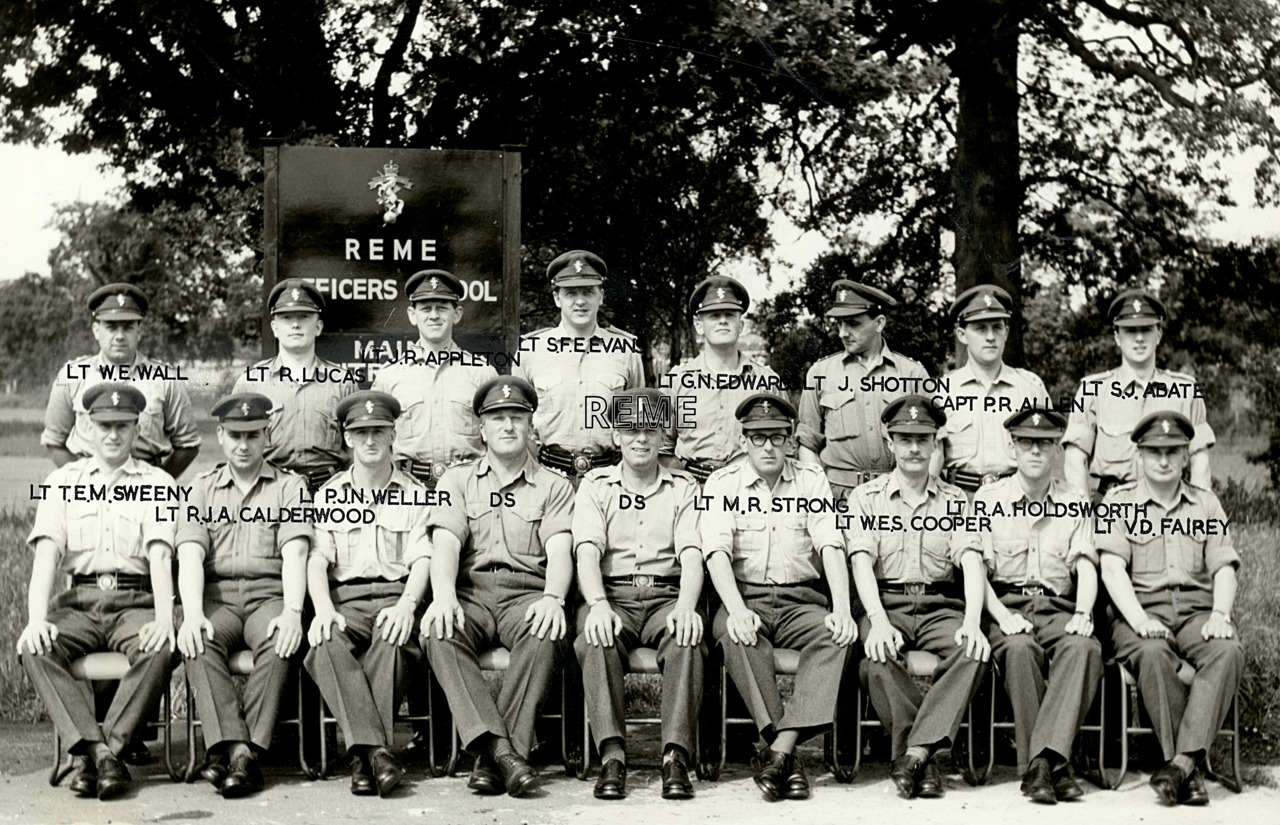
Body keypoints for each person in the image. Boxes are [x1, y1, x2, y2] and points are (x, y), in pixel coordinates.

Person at [19, 382, 178, 800]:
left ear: (136, 428)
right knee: (35, 646)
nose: (112, 434)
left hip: (134, 601)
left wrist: (165, 618)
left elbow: (160, 557)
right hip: (79, 602)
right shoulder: (61, 482)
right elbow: (46, 558)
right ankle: (102, 753)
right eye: (104, 425)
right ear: (87, 426)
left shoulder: (158, 482)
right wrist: (36, 621)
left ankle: (98, 753)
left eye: (122, 426)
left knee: (160, 647)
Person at [420, 376, 575, 798]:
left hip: (526, 593)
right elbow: (446, 544)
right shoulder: (457, 480)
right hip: (470, 591)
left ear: (531, 426)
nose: (508, 426)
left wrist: (553, 597)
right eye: (498, 418)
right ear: (482, 429)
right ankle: (505, 754)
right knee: (438, 629)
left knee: (546, 630)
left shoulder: (555, 486)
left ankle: (493, 758)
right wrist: (445, 596)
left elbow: (561, 552)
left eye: (517, 418)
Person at [701, 393, 856, 801]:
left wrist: (841, 608)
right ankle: (788, 755)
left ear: (790, 439)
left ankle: (778, 751)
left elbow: (830, 547)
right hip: (745, 597)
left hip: (800, 601)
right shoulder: (722, 484)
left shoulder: (810, 480)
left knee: (836, 635)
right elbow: (716, 554)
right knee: (737, 636)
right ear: (744, 440)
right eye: (757, 437)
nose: (767, 446)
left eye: (776, 437)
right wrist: (735, 610)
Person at [844, 394, 990, 800]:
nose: (913, 448)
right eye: (904, 439)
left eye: (922, 439)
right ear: (890, 443)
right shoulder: (866, 499)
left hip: (939, 605)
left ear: (934, 444)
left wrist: (973, 623)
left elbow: (972, 563)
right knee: (875, 658)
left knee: (975, 651)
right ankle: (922, 759)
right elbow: (860, 563)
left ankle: (913, 754)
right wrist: (876, 619)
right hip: (886, 602)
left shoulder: (957, 501)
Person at [1097, 411, 1242, 807]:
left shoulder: (1206, 504)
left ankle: (1179, 766)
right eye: (1154, 452)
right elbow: (1112, 570)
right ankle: (1188, 770)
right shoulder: (1119, 503)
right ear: (1140, 456)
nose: (1163, 460)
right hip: (1141, 610)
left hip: (1197, 612)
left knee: (1228, 650)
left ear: (1184, 457)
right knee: (1152, 653)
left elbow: (1224, 567)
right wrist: (1141, 620)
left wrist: (1220, 615)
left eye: (1173, 452)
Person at [176, 393, 311, 797]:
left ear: (266, 435)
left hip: (268, 595)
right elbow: (190, 554)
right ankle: (243, 753)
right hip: (218, 597)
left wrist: (291, 611)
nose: (243, 444)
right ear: (220, 435)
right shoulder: (201, 489)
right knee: (198, 638)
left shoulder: (289, 486)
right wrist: (194, 612)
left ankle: (235, 754)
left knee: (280, 638)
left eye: (253, 435)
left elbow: (296, 552)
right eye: (235, 435)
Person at [574, 388, 705, 800]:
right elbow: (587, 552)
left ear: (663, 436)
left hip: (666, 595)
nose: (641, 439)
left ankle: (674, 756)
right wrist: (596, 605)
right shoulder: (595, 486)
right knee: (596, 639)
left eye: (650, 429)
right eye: (630, 430)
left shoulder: (683, 487)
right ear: (615, 436)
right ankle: (612, 755)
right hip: (612, 594)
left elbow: (692, 553)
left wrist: (686, 606)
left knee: (687, 638)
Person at [304, 391, 433, 797]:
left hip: (395, 596)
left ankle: (363, 758)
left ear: (394, 435)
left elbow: (422, 561)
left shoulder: (415, 493)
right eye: (361, 433)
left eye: (379, 431)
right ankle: (378, 752)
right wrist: (323, 609)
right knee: (323, 643)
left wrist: (407, 606)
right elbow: (317, 559)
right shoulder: (329, 495)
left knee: (393, 642)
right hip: (347, 600)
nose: (371, 441)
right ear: (347, 439)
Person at [975, 408, 1102, 803]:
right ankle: (1053, 764)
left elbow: (1086, 564)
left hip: (1057, 606)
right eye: (1026, 443)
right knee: (1017, 649)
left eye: (1045, 444)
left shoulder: (1074, 500)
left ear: (1057, 452)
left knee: (1085, 647)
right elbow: (976, 571)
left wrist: (1083, 612)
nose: (1035, 451)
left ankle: (1040, 765)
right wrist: (1000, 615)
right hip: (1006, 604)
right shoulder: (988, 497)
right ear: (1012, 449)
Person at [1063, 290, 1213, 498]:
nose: (1139, 338)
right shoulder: (1092, 391)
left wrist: (1199, 513)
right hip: (1112, 508)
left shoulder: (1186, 391)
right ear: (1117, 336)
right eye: (1130, 330)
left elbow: (1200, 460)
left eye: (1146, 329)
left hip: (1170, 505)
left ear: (1158, 334)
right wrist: (1082, 516)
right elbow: (1074, 459)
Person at [43, 283, 200, 477]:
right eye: (110, 327)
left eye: (127, 327)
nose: (119, 336)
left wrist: (159, 482)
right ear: (96, 330)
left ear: (139, 331)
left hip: (145, 483)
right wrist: (81, 481)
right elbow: (53, 440)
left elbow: (188, 444)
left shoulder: (164, 379)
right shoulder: (72, 376)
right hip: (90, 484)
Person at [514, 250, 644, 483]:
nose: (581, 301)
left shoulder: (625, 351)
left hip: (608, 478)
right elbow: (518, 420)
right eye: (571, 293)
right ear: (557, 298)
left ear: (601, 296)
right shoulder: (530, 351)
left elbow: (636, 420)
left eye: (588, 292)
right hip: (548, 477)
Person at [797, 280, 929, 500]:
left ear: (879, 323)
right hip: (839, 497)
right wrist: (817, 498)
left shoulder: (912, 373)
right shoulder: (820, 373)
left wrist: (919, 498)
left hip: (898, 494)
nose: (842, 333)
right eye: (839, 324)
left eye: (853, 324)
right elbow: (808, 442)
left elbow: (934, 443)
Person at [371, 269, 497, 489]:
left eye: (442, 308)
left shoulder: (482, 373)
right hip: (408, 489)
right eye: (426, 308)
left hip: (469, 488)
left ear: (456, 314)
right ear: (413, 315)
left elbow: (496, 440)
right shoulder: (389, 377)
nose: (434, 316)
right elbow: (376, 442)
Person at [234, 278, 358, 492]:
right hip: (269, 491)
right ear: (274, 327)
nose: (295, 324)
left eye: (304, 316)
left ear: (318, 326)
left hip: (329, 493)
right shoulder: (251, 382)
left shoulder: (342, 382)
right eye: (285, 317)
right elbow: (235, 446)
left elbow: (357, 448)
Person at [661, 275, 783, 484]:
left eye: (729, 315)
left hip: (747, 491)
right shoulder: (675, 382)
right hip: (690, 491)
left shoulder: (767, 381)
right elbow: (662, 448)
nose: (723, 321)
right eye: (714, 315)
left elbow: (784, 446)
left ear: (741, 325)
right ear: (699, 325)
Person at [932, 285, 1048, 493]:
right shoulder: (943, 392)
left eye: (997, 327)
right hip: (961, 502)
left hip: (1018, 501)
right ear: (962, 335)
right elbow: (933, 457)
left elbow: (1050, 453)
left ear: (1006, 332)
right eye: (980, 328)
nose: (990, 337)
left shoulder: (1030, 388)